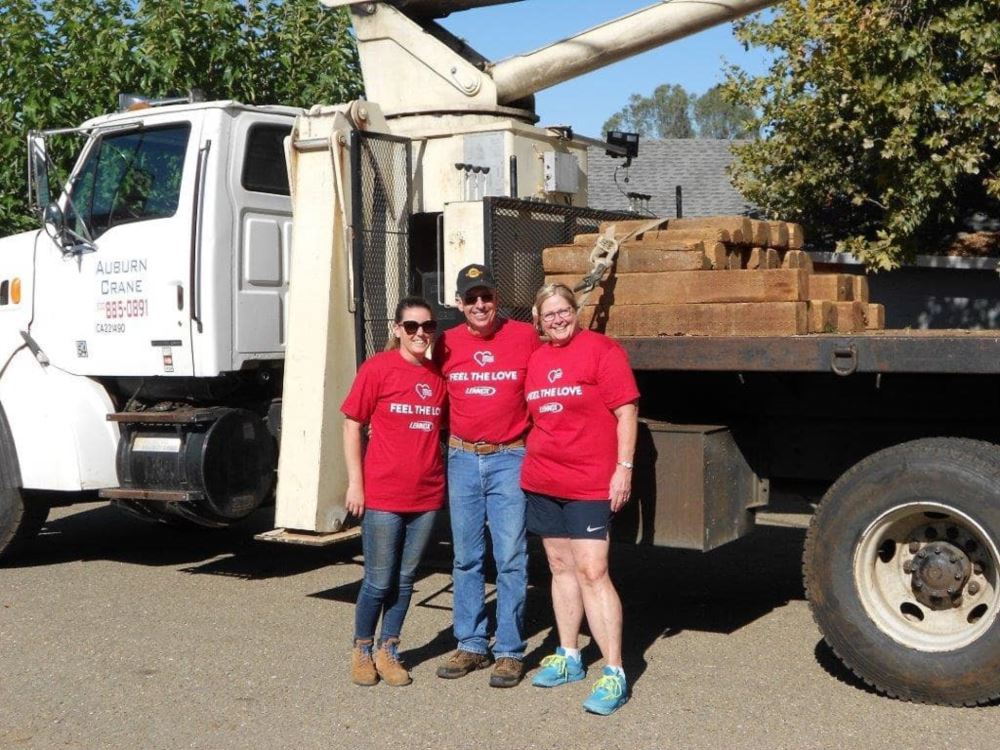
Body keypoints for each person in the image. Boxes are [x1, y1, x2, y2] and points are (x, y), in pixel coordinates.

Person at [521, 283, 639, 716]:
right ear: (538, 320)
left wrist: (622, 469)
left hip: (590, 482)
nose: (558, 319)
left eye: (564, 311)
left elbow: (626, 410)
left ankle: (614, 672)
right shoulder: (535, 358)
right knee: (560, 567)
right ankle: (569, 656)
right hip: (543, 479)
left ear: (576, 311)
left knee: (593, 571)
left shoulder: (601, 351)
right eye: (549, 314)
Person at [434, 264, 541, 688]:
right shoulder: (445, 343)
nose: (480, 305)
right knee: (466, 557)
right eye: (471, 298)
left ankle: (511, 651)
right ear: (459, 304)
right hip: (461, 458)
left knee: (511, 557)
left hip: (509, 457)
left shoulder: (524, 337)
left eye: (487, 297)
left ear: (497, 299)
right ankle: (472, 644)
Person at [342, 296, 446, 687]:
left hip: (426, 496)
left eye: (428, 327)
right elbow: (352, 423)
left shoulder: (438, 377)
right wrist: (356, 482)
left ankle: (389, 650)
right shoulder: (378, 369)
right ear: (398, 330)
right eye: (412, 327)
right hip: (384, 494)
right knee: (378, 580)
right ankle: (362, 649)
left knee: (405, 579)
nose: (421, 334)